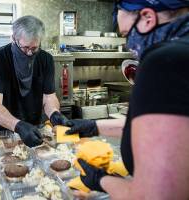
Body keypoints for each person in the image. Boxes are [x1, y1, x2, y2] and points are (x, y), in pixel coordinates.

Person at [65, 0, 189, 199]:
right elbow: (160, 131)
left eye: (127, 35)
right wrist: (94, 126)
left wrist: (100, 180)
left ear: (148, 18)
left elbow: (155, 197)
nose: (130, 47)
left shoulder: (165, 62)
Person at [0, 16, 67, 147]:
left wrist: (54, 113)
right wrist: (18, 126)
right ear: (14, 39)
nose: (30, 53)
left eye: (34, 48)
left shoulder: (46, 59)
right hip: (7, 129)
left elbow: (49, 96)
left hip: (35, 127)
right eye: (25, 48)